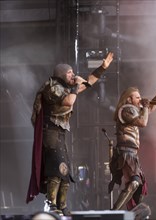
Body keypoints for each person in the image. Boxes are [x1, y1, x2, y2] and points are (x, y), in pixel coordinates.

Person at [26, 52, 114, 216]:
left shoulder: (66, 89)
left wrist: (102, 68)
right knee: (56, 168)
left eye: (73, 73)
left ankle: (62, 205)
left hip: (60, 133)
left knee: (66, 172)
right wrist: (75, 86)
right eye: (69, 73)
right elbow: (68, 101)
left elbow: (88, 83)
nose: (73, 75)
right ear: (61, 74)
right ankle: (51, 204)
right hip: (50, 131)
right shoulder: (51, 86)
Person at [109, 80, 156, 211]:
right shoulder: (126, 110)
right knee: (134, 182)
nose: (140, 99)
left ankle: (132, 213)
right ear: (129, 99)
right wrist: (146, 107)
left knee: (139, 187)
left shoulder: (133, 110)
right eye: (137, 97)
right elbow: (143, 122)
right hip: (125, 153)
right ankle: (114, 212)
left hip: (131, 153)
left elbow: (149, 110)